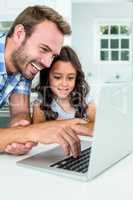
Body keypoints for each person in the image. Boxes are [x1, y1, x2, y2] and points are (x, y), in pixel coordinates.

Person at [0, 5, 90, 157]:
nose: (48, 64)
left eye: (53, 55)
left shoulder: (23, 66)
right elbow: (30, 132)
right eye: (43, 49)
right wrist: (31, 132)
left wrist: (20, 133)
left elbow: (20, 112)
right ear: (19, 33)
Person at [32, 46, 96, 136]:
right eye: (57, 77)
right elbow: (37, 130)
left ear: (76, 77)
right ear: (47, 76)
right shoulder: (40, 102)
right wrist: (76, 122)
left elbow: (97, 127)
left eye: (70, 78)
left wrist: (58, 127)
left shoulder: (85, 97)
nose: (64, 84)